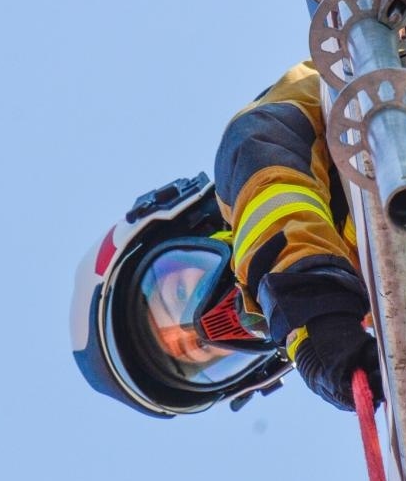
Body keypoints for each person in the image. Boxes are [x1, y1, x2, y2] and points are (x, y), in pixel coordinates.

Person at [70, 60, 384, 418]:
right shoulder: (380, 314)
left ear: (195, 228)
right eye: (207, 351)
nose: (210, 321)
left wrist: (311, 309)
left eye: (182, 293)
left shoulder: (258, 148)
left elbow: (263, 165)